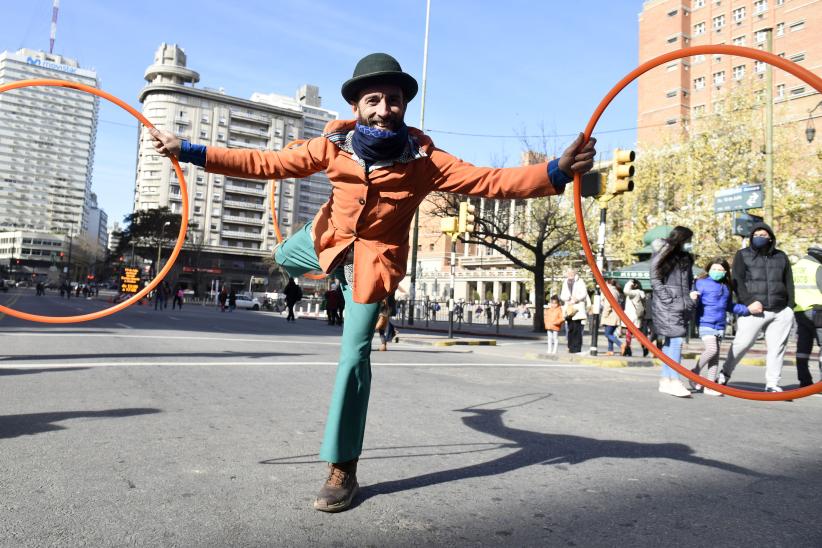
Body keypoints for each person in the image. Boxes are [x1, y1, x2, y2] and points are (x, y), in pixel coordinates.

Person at [150, 52, 596, 513]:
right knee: (284, 255)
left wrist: (556, 171)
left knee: (354, 354)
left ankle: (343, 467)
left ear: (404, 107)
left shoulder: (427, 161)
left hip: (372, 263)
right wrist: (187, 149)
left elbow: (491, 180)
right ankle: (309, 264)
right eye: (374, 100)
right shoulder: (331, 146)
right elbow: (263, 162)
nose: (384, 109)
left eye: (395, 101)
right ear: (357, 106)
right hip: (324, 240)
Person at [719, 223, 795, 392]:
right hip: (754, 310)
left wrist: (790, 307)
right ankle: (725, 372)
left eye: (763, 234)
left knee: (777, 349)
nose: (759, 237)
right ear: (752, 237)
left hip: (780, 310)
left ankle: (772, 383)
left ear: (770, 238)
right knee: (741, 344)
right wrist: (748, 302)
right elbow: (737, 281)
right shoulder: (742, 255)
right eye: (756, 234)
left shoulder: (781, 256)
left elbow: (789, 281)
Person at [650, 226, 698, 398]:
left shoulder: (685, 257)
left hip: (681, 303)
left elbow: (689, 280)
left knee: (671, 341)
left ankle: (666, 379)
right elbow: (654, 278)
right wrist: (667, 298)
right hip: (669, 304)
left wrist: (690, 298)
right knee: (676, 339)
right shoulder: (664, 252)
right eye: (688, 240)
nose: (690, 244)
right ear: (681, 239)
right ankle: (675, 380)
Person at [692, 258, 751, 396]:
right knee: (711, 349)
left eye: (720, 270)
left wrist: (747, 310)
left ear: (725, 272)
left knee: (715, 356)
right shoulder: (700, 283)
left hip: (720, 325)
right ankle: (694, 373)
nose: (717, 272)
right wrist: (693, 298)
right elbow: (694, 303)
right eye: (714, 269)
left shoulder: (726, 287)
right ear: (709, 269)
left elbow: (729, 306)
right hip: (705, 323)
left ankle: (709, 386)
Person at [792, 245, 822, 387]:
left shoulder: (795, 267)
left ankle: (804, 381)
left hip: (800, 312)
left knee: (803, 347)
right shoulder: (817, 268)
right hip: (819, 311)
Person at [560, 268, 589, 354]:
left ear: (575, 273)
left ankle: (577, 347)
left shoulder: (580, 281)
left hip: (577, 308)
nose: (570, 274)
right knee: (570, 329)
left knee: (577, 329)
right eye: (568, 273)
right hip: (569, 308)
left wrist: (576, 299)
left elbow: (584, 293)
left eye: (571, 273)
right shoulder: (565, 282)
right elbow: (562, 295)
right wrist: (567, 298)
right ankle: (570, 347)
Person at [620, 278, 646, 356]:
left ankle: (630, 349)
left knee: (631, 334)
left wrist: (630, 282)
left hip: (631, 316)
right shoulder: (641, 293)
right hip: (637, 316)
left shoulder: (634, 293)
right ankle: (642, 347)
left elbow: (625, 291)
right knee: (634, 334)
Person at [600, 279, 623, 356]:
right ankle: (610, 350)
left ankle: (621, 344)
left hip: (610, 316)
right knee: (610, 333)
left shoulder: (609, 291)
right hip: (615, 315)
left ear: (607, 283)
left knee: (607, 334)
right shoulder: (615, 291)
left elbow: (608, 305)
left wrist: (604, 316)